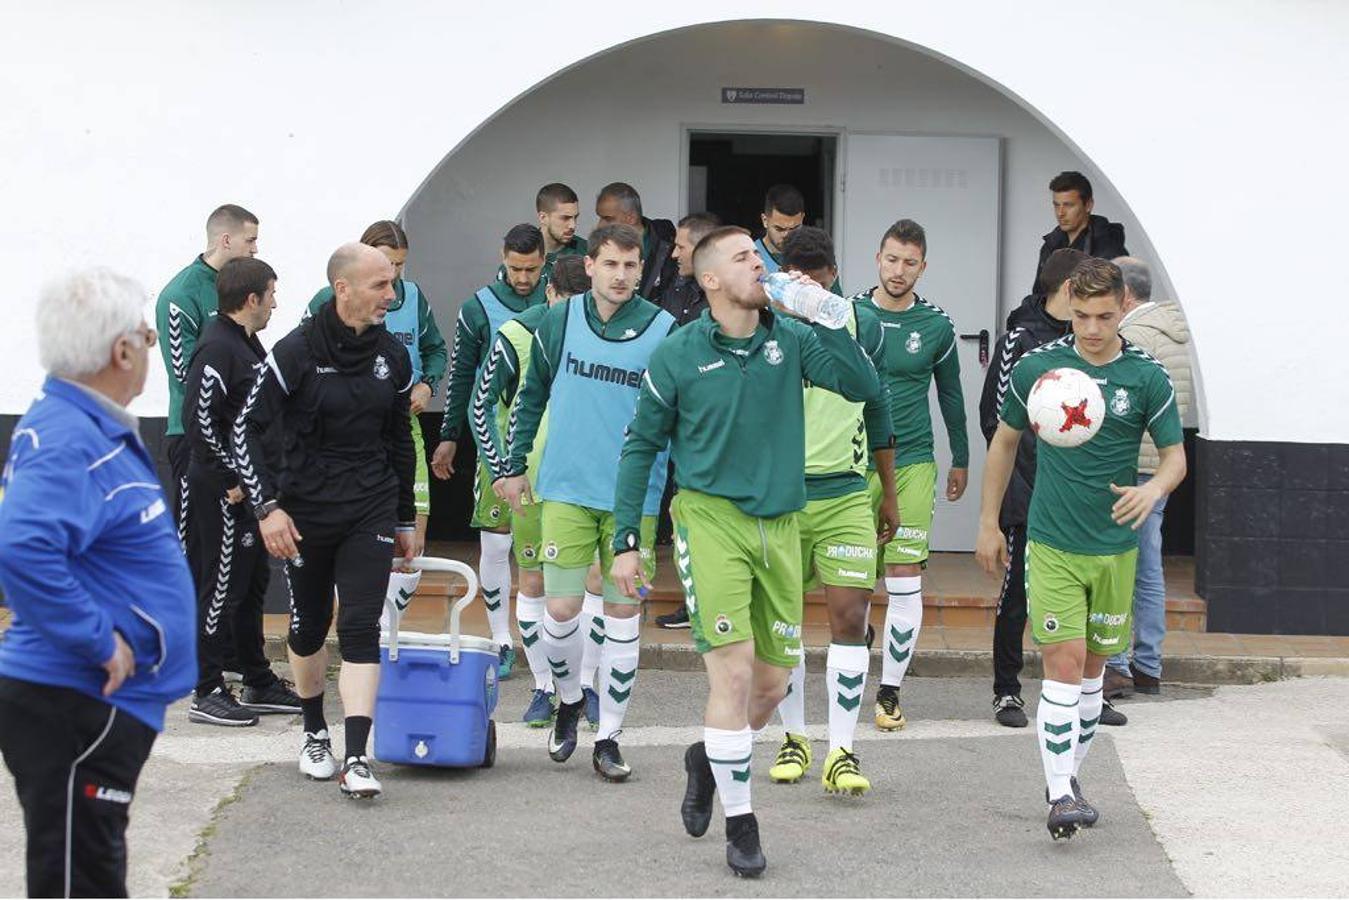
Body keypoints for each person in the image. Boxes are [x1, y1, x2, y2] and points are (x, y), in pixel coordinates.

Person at [610, 226, 881, 877]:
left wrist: (826, 314)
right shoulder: (676, 355)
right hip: (709, 523)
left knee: (769, 685)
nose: (759, 267)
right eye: (743, 259)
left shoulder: (789, 340)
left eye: (760, 259)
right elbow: (641, 447)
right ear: (709, 280)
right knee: (730, 674)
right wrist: (628, 542)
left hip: (781, 525)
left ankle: (707, 758)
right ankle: (742, 823)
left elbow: (862, 386)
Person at [0, 268, 196, 897]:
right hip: (76, 699)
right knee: (78, 877)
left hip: (95, 702)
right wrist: (96, 640)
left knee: (91, 866)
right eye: (147, 336)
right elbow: (21, 547)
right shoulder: (69, 438)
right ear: (121, 351)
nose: (150, 349)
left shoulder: (88, 426)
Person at [976, 257, 1186, 840]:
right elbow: (1004, 442)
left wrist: (1154, 488)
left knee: (1093, 675)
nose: (1092, 329)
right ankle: (1063, 795)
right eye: (1082, 315)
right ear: (1068, 304)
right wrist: (988, 523)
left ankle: (1064, 775)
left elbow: (1175, 457)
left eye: (1104, 316)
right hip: (1052, 542)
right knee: (1063, 666)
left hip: (1116, 547)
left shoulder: (1146, 376)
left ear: (1123, 308)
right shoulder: (1041, 369)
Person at [234, 243, 418, 800]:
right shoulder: (295, 351)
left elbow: (399, 441)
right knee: (309, 625)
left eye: (394, 284)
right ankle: (315, 733)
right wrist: (267, 507)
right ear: (344, 288)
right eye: (381, 285)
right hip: (305, 511)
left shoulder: (393, 355)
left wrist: (406, 517)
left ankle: (357, 757)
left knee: (362, 627)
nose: (393, 294)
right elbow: (245, 429)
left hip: (370, 506)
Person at [495, 224, 676, 782]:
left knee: (624, 614)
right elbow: (532, 394)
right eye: (612, 264)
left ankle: (611, 737)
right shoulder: (559, 319)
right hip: (566, 490)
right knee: (561, 610)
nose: (621, 275)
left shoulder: (665, 329)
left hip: (634, 498)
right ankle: (569, 698)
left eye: (631, 266)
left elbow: (679, 414)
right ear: (589, 265)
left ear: (641, 270)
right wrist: (514, 463)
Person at [765, 227, 899, 795]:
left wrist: (888, 491)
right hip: (782, 494)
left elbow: (876, 403)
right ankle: (793, 737)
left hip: (846, 491)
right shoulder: (763, 322)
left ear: (834, 274)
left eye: (821, 282)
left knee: (850, 618)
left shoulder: (858, 319)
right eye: (802, 283)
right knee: (783, 623)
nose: (812, 291)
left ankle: (843, 750)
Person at [469, 255, 604, 728]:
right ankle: (545, 686)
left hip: (590, 479)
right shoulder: (518, 333)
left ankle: (588, 686)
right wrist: (502, 468)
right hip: (531, 479)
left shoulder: (608, 332)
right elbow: (480, 405)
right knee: (533, 582)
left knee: (593, 580)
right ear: (550, 295)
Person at [852, 219, 970, 730]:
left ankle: (890, 691)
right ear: (878, 258)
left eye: (910, 262)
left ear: (924, 266)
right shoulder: (850, 315)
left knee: (903, 579)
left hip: (914, 462)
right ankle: (855, 651)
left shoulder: (937, 325)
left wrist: (961, 457)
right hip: (854, 463)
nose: (899, 271)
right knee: (853, 581)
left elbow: (950, 395)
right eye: (892, 259)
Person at [183, 258, 301, 726]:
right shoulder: (216, 348)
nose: (275, 302)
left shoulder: (246, 343)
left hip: (250, 490)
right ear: (251, 299)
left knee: (251, 586)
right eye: (272, 293)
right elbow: (200, 422)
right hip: (222, 493)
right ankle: (207, 687)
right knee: (220, 587)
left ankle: (256, 677)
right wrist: (233, 478)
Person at [432, 224, 549, 680]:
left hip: (545, 440)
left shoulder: (558, 303)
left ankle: (544, 637)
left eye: (532, 269)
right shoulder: (477, 308)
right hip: (496, 441)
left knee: (540, 549)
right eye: (517, 268)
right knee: (497, 542)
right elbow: (462, 375)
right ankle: (501, 638)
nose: (523, 278)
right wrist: (449, 434)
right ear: (503, 257)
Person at [980, 247, 1084, 728]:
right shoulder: (1017, 340)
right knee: (1018, 596)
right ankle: (1007, 690)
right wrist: (1015, 489)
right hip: (1026, 492)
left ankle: (1086, 691)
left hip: (1078, 494)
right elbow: (994, 420)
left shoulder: (1089, 340)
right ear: (1067, 287)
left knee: (1081, 595)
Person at [307, 220, 448, 560]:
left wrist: (427, 385)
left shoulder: (413, 297)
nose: (394, 271)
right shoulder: (328, 300)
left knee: (412, 540)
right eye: (387, 262)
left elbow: (437, 350)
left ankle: (391, 614)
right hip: (350, 429)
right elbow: (303, 356)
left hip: (402, 423)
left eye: (400, 263)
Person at [1103, 257, 1194, 699]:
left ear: (1124, 296)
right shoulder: (1178, 334)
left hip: (1130, 465)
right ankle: (1149, 663)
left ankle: (1117, 662)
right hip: (1161, 465)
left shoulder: (1133, 338)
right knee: (1150, 568)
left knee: (1124, 564)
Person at [156, 204, 260, 540]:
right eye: (250, 240)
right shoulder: (180, 294)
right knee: (194, 543)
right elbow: (184, 375)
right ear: (226, 240)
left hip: (237, 435)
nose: (255, 249)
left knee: (235, 548)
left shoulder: (236, 288)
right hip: (193, 436)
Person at [1031, 171, 1128, 295]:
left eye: (1068, 205)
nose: (1060, 213)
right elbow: (1038, 295)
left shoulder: (1109, 249)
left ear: (1088, 205)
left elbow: (1115, 302)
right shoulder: (1050, 246)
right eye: (1056, 205)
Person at [594, 182, 678, 304]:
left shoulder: (669, 248)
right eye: (600, 217)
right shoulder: (601, 247)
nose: (600, 225)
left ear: (631, 218)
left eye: (608, 219)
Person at [753, 184, 842, 294]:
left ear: (802, 219)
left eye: (794, 228)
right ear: (765, 220)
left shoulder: (819, 253)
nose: (787, 235)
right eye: (779, 229)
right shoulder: (751, 258)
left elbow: (836, 303)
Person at [535, 182, 588, 282]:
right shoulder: (521, 252)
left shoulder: (587, 252)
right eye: (565, 218)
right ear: (543, 218)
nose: (573, 225)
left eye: (575, 217)